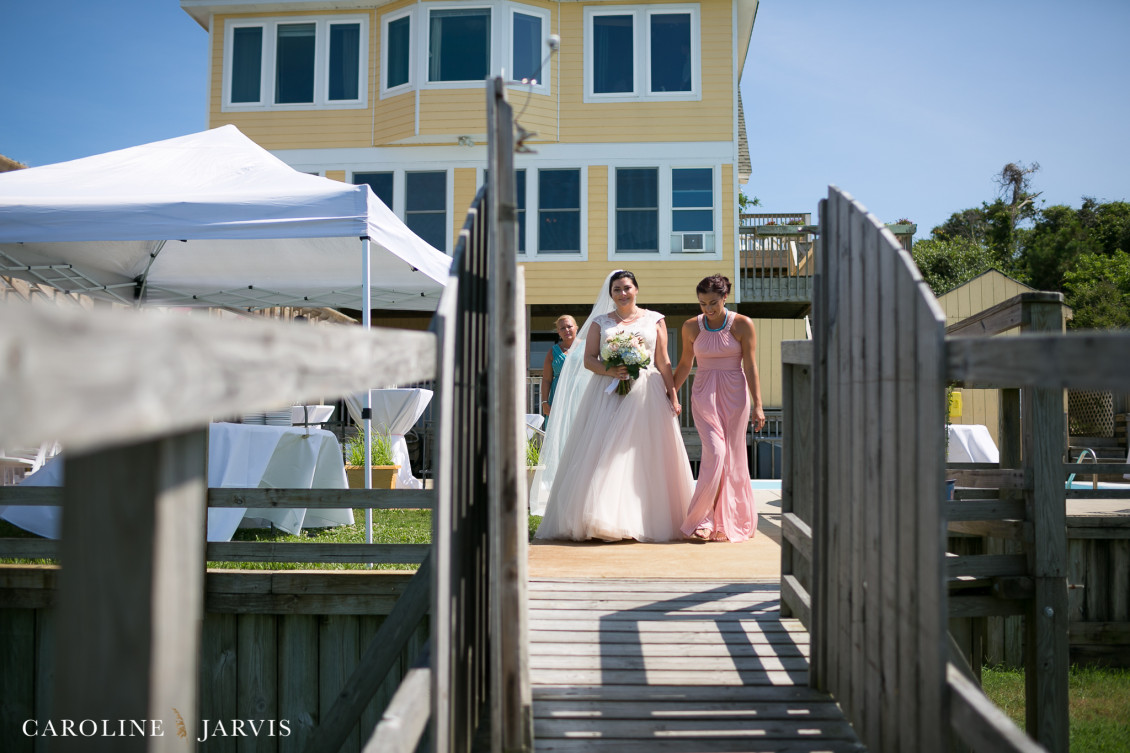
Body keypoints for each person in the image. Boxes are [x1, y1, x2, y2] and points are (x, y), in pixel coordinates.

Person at [534, 270, 694, 541]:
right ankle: (604, 519)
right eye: (617, 289)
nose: (622, 293)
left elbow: (663, 360)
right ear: (610, 294)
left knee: (644, 454)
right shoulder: (600, 322)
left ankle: (643, 518)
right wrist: (612, 370)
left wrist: (674, 396)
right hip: (607, 394)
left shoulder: (655, 320)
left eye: (627, 287)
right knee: (608, 453)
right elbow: (588, 359)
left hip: (647, 393)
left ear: (636, 289)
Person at [673, 274, 765, 542]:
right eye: (702, 304)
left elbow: (750, 365)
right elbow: (685, 365)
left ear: (725, 297)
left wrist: (758, 404)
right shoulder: (691, 327)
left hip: (735, 395)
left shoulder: (742, 324)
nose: (708, 309)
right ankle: (701, 518)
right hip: (704, 395)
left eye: (713, 302)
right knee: (715, 452)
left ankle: (727, 520)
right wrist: (670, 394)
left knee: (733, 458)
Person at [540, 315, 578, 419]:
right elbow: (546, 380)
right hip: (558, 398)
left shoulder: (586, 347)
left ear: (576, 327)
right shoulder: (552, 352)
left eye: (569, 326)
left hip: (580, 395)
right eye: (562, 328)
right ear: (558, 332)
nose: (566, 330)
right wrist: (544, 402)